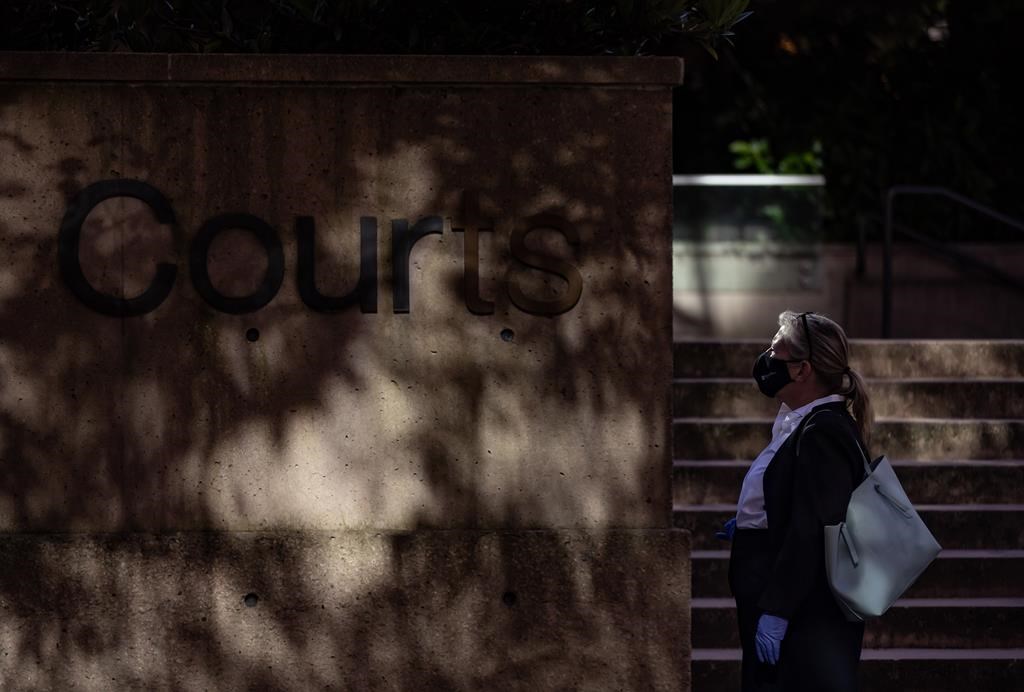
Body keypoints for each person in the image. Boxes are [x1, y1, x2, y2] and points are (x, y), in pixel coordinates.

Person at [716, 310, 873, 691]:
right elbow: (798, 502)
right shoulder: (803, 422)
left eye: (775, 353)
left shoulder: (823, 432)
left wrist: (777, 612)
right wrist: (754, 522)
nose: (766, 361)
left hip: (800, 611)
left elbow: (814, 527)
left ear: (802, 370)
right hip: (777, 592)